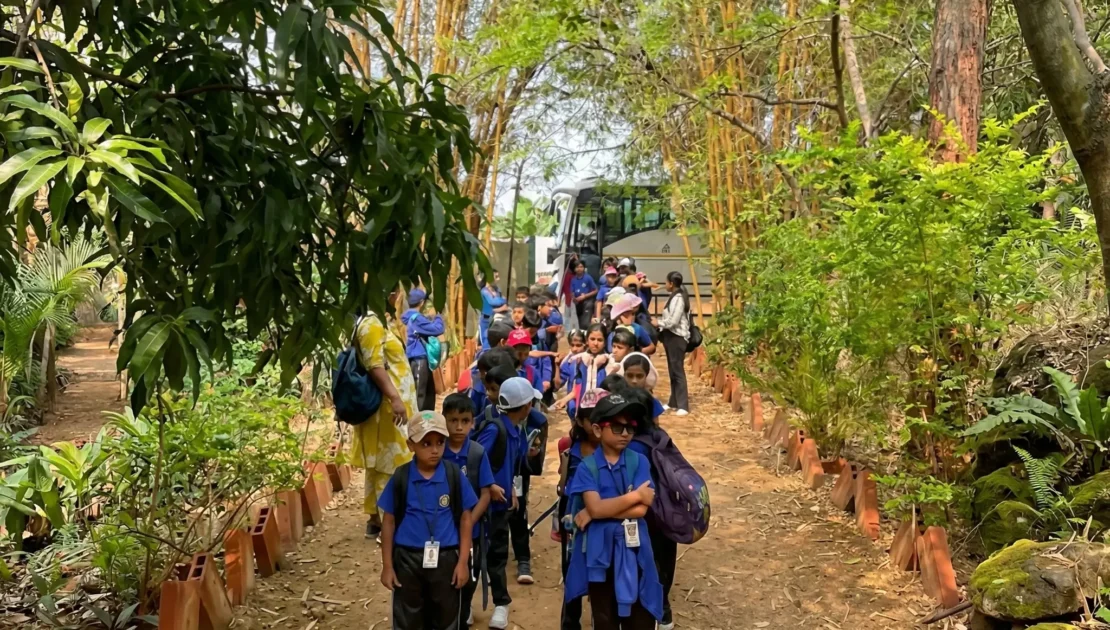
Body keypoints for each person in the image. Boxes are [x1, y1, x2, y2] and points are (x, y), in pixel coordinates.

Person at [564, 393, 663, 630]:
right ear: (598, 430)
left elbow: (640, 511)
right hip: (600, 555)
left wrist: (597, 512)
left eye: (631, 427)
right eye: (617, 427)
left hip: (636, 550)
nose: (626, 433)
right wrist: (635, 496)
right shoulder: (587, 466)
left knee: (640, 616)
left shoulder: (639, 461)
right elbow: (601, 506)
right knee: (604, 615)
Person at [378, 411, 477, 630]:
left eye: (440, 442)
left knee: (446, 616)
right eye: (426, 443)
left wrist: (462, 563)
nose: (434, 450)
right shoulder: (401, 477)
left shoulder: (453, 475)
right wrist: (387, 565)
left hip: (446, 558)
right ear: (410, 445)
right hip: (407, 559)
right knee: (408, 617)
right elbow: (389, 522)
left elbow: (465, 518)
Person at [350, 295, 417, 540]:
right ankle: (391, 525)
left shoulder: (377, 322)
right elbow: (374, 364)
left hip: (389, 408)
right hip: (386, 410)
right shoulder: (371, 324)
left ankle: (375, 520)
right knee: (391, 466)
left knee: (379, 466)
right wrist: (395, 398)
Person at [474, 377, 539, 629]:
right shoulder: (495, 429)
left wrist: (510, 487)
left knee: (497, 556)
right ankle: (467, 604)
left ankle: (501, 604)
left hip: (501, 507)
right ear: (525, 407)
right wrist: (489, 485)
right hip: (482, 506)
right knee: (475, 555)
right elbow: (476, 458)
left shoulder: (515, 430)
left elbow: (511, 463)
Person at [442, 394, 496, 630]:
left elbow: (486, 493)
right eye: (453, 420)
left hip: (473, 531)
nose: (459, 426)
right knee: (442, 581)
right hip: (442, 531)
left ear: (473, 422)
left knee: (466, 580)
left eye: (465, 420)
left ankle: (463, 616)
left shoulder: (476, 453)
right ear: (443, 420)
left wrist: (469, 522)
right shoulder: (436, 451)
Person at [556, 388, 606, 630]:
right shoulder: (571, 450)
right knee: (572, 574)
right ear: (580, 421)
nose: (598, 426)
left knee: (602, 578)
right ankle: (569, 623)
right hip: (573, 524)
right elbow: (564, 489)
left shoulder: (616, 452)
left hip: (604, 521)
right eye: (592, 420)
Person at [402, 288, 446, 412]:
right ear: (421, 303)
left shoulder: (412, 318)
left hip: (419, 359)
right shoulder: (416, 319)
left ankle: (427, 419)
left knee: (429, 392)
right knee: (420, 394)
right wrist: (437, 315)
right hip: (419, 359)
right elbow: (438, 329)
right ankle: (418, 421)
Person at [554, 323, 609, 419]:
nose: (595, 343)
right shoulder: (580, 361)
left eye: (600, 340)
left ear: (605, 342)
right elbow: (577, 388)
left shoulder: (610, 363)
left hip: (602, 413)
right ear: (587, 341)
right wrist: (565, 400)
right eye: (592, 339)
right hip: (582, 412)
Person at [658, 271, 691, 416]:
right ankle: (673, 401)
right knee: (672, 371)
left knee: (678, 371)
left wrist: (657, 322)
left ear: (671, 284)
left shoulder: (678, 298)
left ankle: (683, 405)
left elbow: (673, 321)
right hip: (670, 337)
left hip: (677, 338)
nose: (665, 285)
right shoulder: (673, 297)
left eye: (666, 282)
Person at [620, 353, 666, 422]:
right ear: (624, 375)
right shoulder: (617, 399)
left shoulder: (651, 402)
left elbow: (655, 428)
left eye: (639, 376)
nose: (634, 381)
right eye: (630, 376)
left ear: (646, 376)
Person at [480, 272, 509, 350]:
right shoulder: (484, 291)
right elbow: (493, 302)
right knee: (486, 339)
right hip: (487, 319)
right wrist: (502, 302)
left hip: (497, 318)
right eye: (496, 277)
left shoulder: (497, 290)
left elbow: (502, 300)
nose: (498, 279)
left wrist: (500, 304)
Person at [569, 260, 599, 327]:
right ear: (574, 269)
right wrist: (574, 298)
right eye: (577, 267)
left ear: (584, 268)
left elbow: (596, 290)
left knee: (585, 323)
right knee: (578, 323)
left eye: (581, 267)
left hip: (587, 302)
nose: (579, 269)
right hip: (578, 303)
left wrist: (585, 296)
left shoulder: (588, 278)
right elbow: (571, 291)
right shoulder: (573, 279)